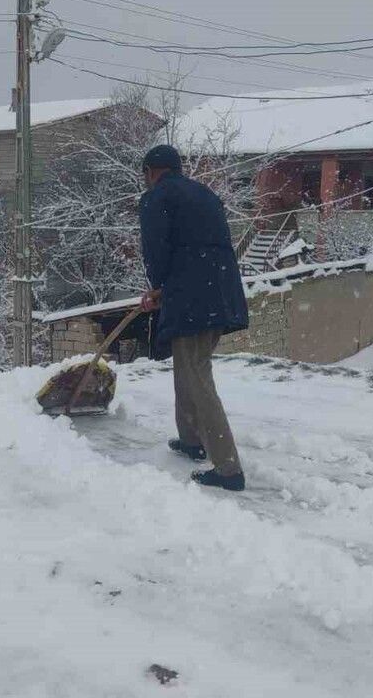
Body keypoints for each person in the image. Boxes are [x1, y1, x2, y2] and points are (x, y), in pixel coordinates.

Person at [137, 144, 249, 492]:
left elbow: (157, 248)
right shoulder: (204, 194)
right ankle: (191, 439)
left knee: (197, 374)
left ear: (152, 172)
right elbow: (202, 245)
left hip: (192, 295)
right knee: (188, 364)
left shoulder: (157, 197)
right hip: (220, 291)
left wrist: (158, 287)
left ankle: (229, 469)